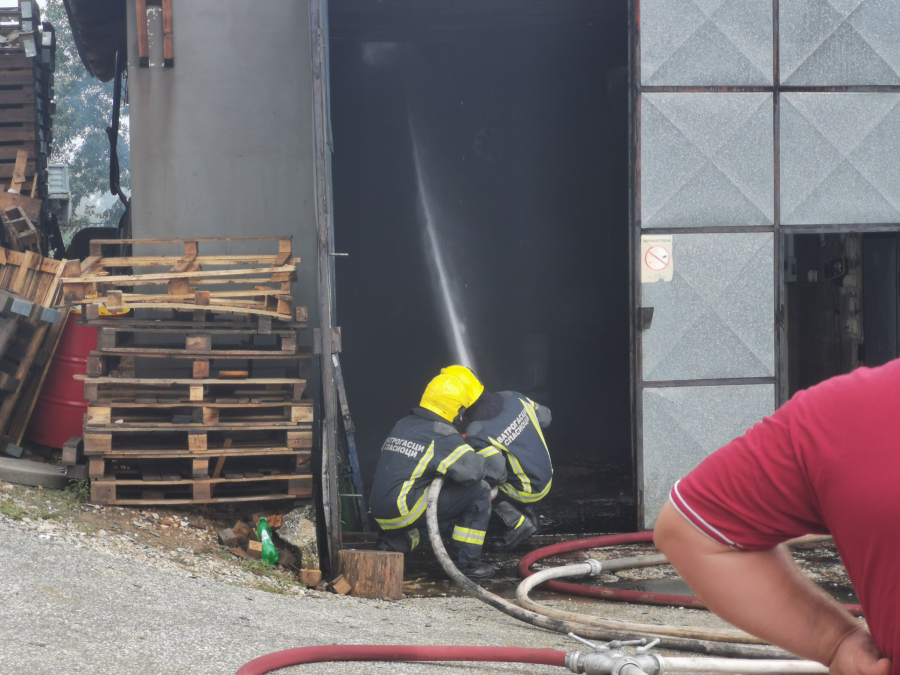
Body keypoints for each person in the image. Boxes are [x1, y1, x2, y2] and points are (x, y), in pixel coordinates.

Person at [653, 360, 900, 675]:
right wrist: (835, 641)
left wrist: (836, 641)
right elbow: (688, 527)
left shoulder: (847, 411)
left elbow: (688, 530)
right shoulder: (846, 413)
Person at [370, 372, 495, 579]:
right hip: (405, 509)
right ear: (459, 409)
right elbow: (472, 473)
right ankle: (467, 566)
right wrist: (480, 452)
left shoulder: (404, 424)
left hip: (382, 511)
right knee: (478, 492)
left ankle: (392, 544)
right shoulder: (441, 433)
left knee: (437, 508)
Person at [446, 365, 553, 552]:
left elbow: (497, 474)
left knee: (479, 488)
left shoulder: (477, 431)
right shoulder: (513, 396)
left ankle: (518, 524)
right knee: (512, 460)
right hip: (546, 474)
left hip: (528, 489)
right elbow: (545, 417)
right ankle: (530, 515)